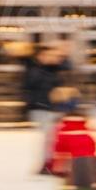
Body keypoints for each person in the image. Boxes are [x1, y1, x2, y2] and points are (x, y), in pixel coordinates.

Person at [21, 44, 67, 174]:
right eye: (50, 56)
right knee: (49, 138)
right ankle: (46, 164)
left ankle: (51, 164)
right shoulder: (36, 71)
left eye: (55, 56)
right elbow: (30, 88)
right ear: (41, 57)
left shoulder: (53, 70)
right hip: (41, 108)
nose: (54, 58)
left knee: (53, 138)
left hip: (51, 109)